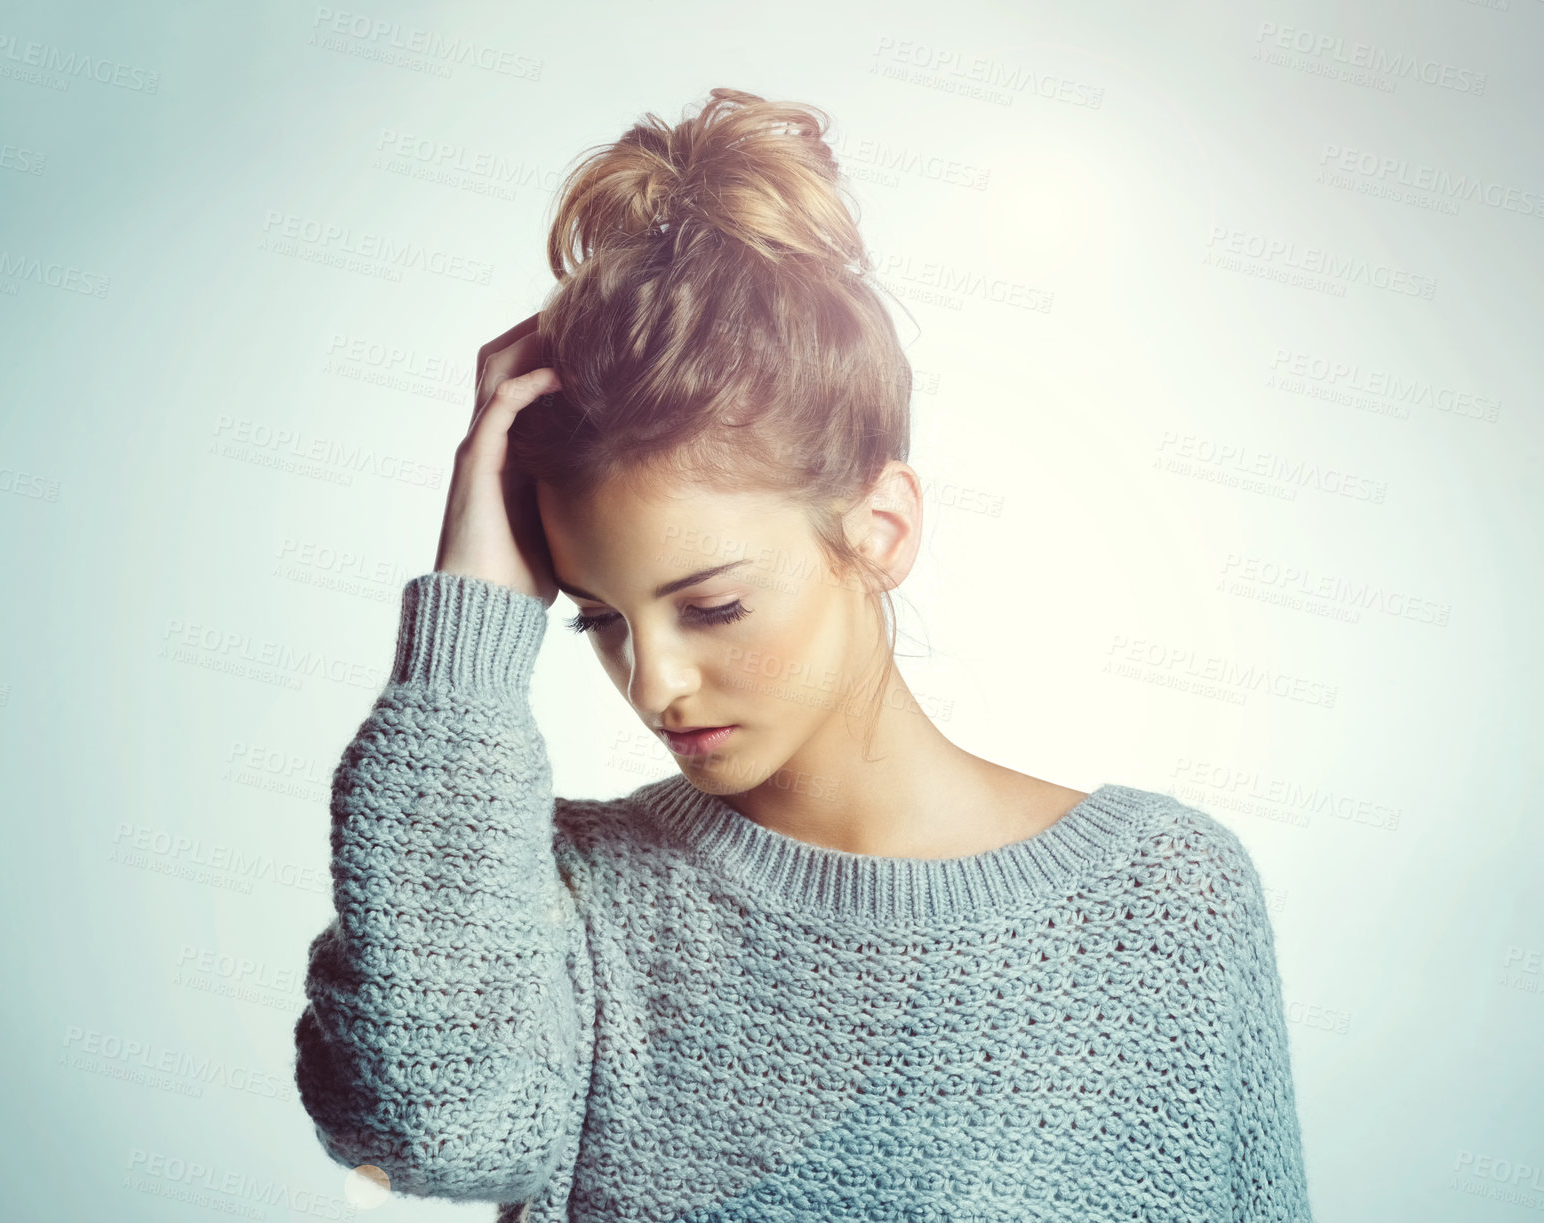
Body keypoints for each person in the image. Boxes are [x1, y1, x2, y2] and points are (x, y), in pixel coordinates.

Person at [293, 87, 1314, 1222]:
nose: (652, 683)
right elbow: (417, 1121)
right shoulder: (567, 902)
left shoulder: (1165, 900)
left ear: (878, 530)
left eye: (714, 605)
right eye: (599, 619)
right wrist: (470, 621)